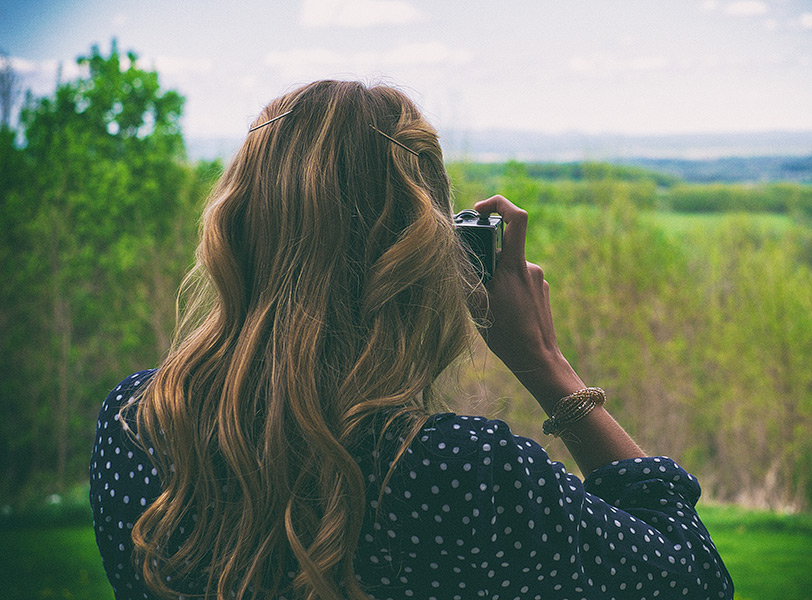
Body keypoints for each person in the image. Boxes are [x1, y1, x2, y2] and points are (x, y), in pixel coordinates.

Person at [90, 80, 734, 600]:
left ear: (236, 230)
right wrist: (548, 367)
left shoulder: (135, 425)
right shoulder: (456, 470)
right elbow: (693, 583)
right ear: (430, 253)